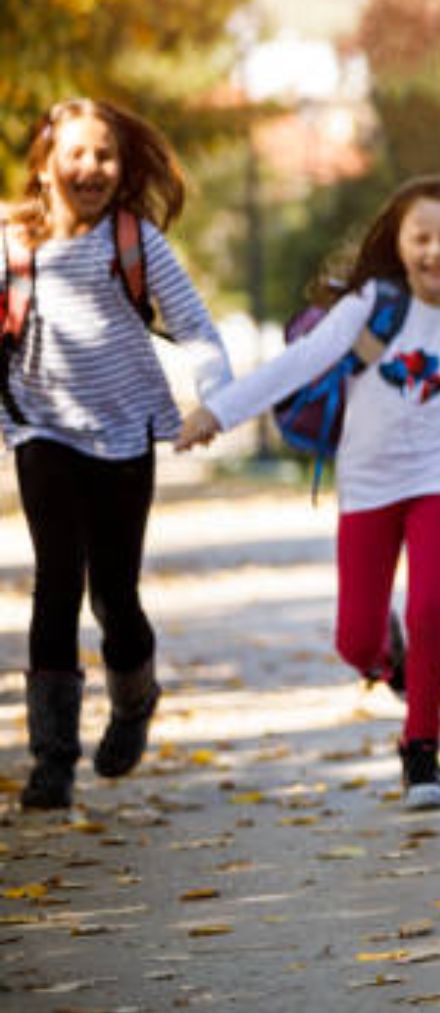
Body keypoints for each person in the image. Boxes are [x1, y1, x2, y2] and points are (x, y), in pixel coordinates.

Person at [176, 174, 440, 810]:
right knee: (355, 642)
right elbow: (299, 363)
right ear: (397, 243)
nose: (436, 251)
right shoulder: (371, 304)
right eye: (421, 237)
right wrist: (220, 412)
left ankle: (422, 750)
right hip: (368, 486)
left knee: (431, 609)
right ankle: (392, 663)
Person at [2, 98, 234, 810]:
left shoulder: (134, 240)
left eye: (105, 155)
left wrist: (211, 400)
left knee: (114, 593)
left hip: (127, 433)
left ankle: (134, 700)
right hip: (41, 427)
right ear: (44, 165)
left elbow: (195, 324)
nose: (91, 167)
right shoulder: (13, 244)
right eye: (74, 154)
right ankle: (53, 760)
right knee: (56, 582)